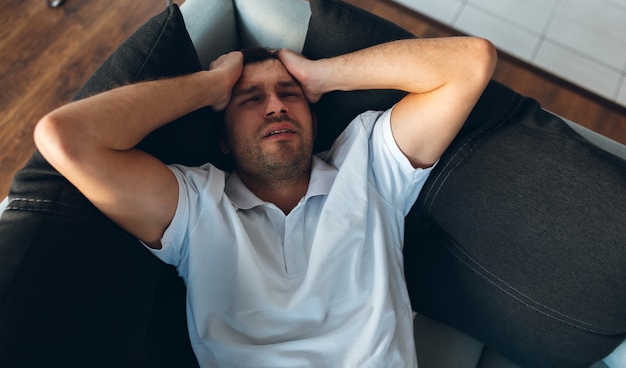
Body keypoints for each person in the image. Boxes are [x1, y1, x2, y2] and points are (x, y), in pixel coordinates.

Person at [34, 37, 497, 367]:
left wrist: (321, 75)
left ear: (313, 117)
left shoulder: (369, 164)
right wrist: (210, 86)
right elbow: (65, 136)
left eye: (289, 94)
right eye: (250, 99)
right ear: (223, 141)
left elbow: (471, 62)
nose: (275, 106)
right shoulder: (195, 207)